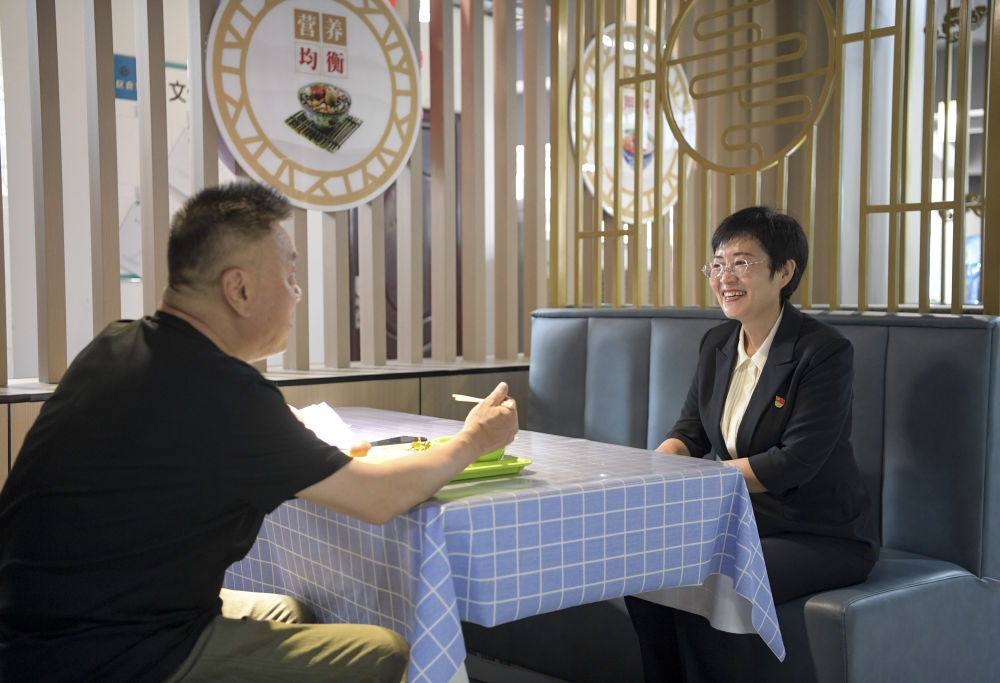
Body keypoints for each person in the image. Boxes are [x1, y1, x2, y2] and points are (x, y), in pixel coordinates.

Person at [0, 180, 519, 682]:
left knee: (290, 613)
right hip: (106, 652)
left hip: (31, 624)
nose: (297, 293)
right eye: (289, 275)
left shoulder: (115, 345)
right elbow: (380, 498)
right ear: (240, 289)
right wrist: (474, 440)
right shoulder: (226, 394)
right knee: (386, 654)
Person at [624, 206, 878, 682]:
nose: (725, 277)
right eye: (718, 264)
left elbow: (794, 462)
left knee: (715, 578)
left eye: (741, 262)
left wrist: (702, 480)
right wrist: (648, 473)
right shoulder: (717, 343)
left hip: (819, 535)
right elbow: (689, 434)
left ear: (785, 272)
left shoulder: (822, 351)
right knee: (644, 567)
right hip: (742, 523)